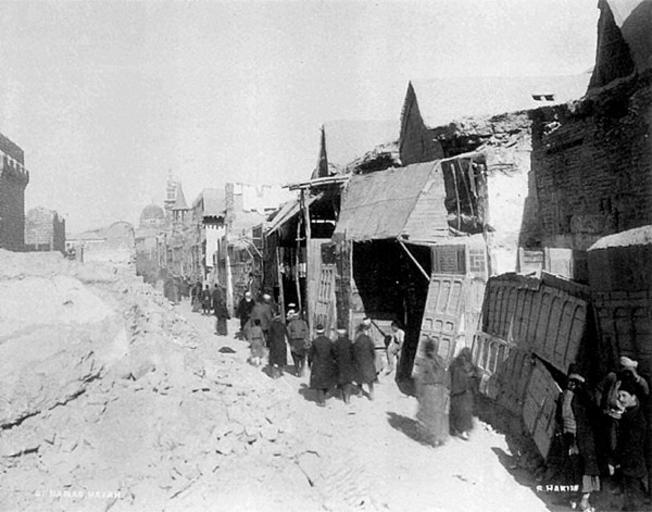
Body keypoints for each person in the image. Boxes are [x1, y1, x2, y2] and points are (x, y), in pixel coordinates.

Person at [556, 366, 600, 512]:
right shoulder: (567, 396)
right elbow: (561, 417)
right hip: (574, 437)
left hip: (581, 438)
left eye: (575, 382)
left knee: (584, 469)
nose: (572, 384)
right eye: (570, 381)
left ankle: (581, 500)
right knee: (576, 468)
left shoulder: (580, 397)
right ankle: (577, 499)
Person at [595, 356, 650, 467]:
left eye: (628, 370)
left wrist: (636, 377)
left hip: (626, 415)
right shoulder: (613, 377)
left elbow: (646, 391)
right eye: (623, 369)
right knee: (609, 433)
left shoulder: (635, 381)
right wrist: (601, 406)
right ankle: (610, 458)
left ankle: (617, 460)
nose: (626, 373)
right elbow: (599, 389)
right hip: (610, 411)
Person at [615, 381, 648, 511]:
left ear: (633, 397)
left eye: (624, 395)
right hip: (628, 466)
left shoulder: (637, 418)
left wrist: (619, 461)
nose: (620, 399)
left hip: (633, 466)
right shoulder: (629, 414)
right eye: (619, 396)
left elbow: (632, 444)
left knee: (633, 503)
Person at [414, 338, 450, 447]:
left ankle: (432, 437)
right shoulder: (440, 360)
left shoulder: (424, 361)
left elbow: (420, 379)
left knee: (428, 414)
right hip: (440, 390)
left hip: (429, 390)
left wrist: (418, 393)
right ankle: (438, 437)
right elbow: (446, 376)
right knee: (438, 414)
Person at [449, 347, 480, 440]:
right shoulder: (470, 366)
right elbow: (474, 380)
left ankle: (456, 429)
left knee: (457, 412)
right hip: (465, 394)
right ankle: (462, 431)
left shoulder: (455, 364)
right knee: (464, 413)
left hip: (458, 393)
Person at [308, 324, 337, 407]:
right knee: (327, 379)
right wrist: (334, 360)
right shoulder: (329, 341)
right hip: (328, 363)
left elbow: (310, 354)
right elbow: (334, 352)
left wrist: (309, 362)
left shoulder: (315, 342)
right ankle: (326, 392)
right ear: (324, 332)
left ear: (317, 332)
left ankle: (322, 401)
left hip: (318, 364)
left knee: (319, 383)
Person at [353, 322, 377, 400]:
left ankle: (360, 392)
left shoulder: (357, 340)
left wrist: (355, 360)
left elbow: (354, 351)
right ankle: (371, 394)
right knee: (369, 379)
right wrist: (372, 358)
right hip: (368, 360)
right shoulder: (368, 339)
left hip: (359, 361)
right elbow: (372, 349)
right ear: (364, 330)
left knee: (359, 377)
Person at [334, 328, 356, 404]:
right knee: (348, 381)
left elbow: (334, 354)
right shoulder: (350, 343)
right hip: (349, 364)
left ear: (338, 335)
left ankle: (340, 396)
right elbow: (353, 353)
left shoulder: (336, 343)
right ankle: (347, 398)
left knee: (340, 379)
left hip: (339, 364)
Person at [287, 309, 310, 377]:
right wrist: (307, 340)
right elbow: (307, 332)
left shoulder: (290, 324)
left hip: (294, 341)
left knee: (295, 355)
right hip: (302, 340)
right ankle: (302, 368)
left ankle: (297, 369)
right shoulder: (303, 323)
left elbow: (288, 333)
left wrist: (290, 341)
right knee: (303, 355)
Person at [268, 312, 288, 378]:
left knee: (273, 357)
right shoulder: (283, 325)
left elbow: (269, 335)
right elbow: (287, 334)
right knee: (281, 357)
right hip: (281, 343)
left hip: (274, 343)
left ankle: (274, 373)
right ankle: (280, 370)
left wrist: (268, 343)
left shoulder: (272, 325)